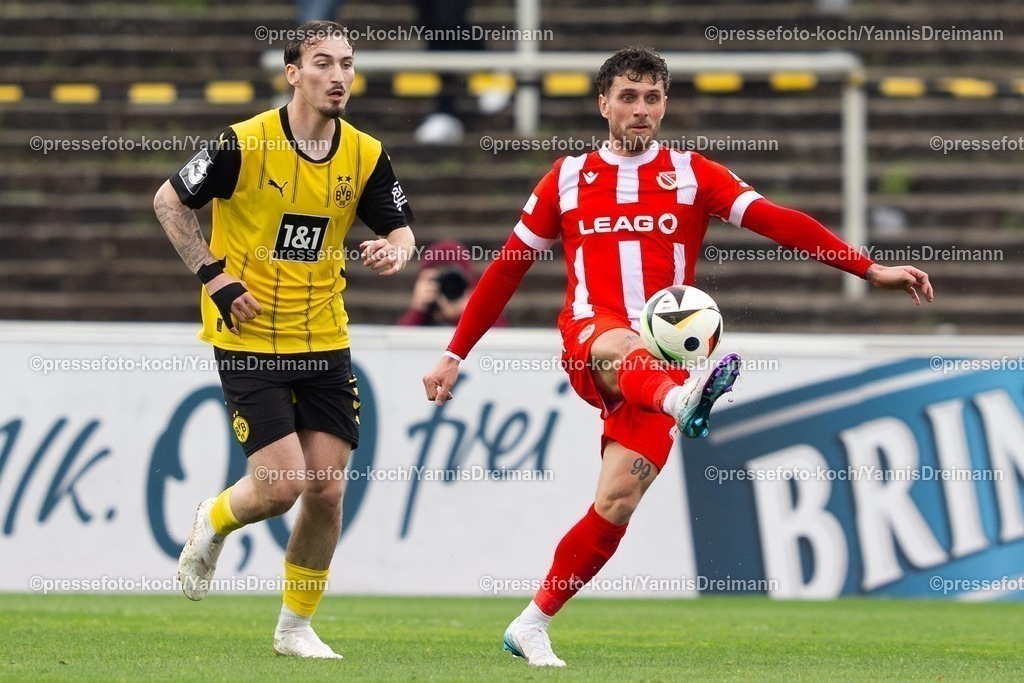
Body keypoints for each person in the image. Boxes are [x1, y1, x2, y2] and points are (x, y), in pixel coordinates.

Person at [421, 46, 933, 667]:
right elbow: (507, 268)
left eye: (653, 98)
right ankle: (684, 400)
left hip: (660, 364)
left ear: (665, 104)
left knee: (616, 502)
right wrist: (454, 352)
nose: (641, 110)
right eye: (629, 97)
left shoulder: (692, 174)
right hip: (594, 337)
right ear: (603, 104)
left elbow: (776, 221)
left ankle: (530, 623)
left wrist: (868, 266)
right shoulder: (566, 177)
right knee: (621, 341)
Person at [153, 20, 415, 659]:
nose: (339, 76)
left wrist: (396, 251)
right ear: (293, 73)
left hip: (324, 338)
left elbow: (403, 227)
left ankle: (294, 628)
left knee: (326, 489)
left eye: (348, 64)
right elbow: (167, 200)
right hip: (249, 336)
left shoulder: (366, 153)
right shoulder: (242, 143)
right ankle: (213, 520)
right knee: (280, 487)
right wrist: (214, 275)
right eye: (323, 63)